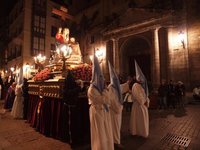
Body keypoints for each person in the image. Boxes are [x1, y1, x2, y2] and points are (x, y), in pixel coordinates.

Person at [87, 55, 114, 150]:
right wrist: (105, 92)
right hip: (97, 112)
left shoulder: (102, 89)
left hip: (104, 111)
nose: (103, 80)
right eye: (100, 78)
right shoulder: (92, 89)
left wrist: (105, 92)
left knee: (106, 131)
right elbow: (101, 100)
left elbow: (108, 99)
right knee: (100, 132)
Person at [129, 60, 150, 138]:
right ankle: (137, 132)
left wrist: (147, 101)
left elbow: (145, 95)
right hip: (138, 106)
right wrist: (143, 102)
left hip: (142, 105)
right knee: (138, 120)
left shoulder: (141, 86)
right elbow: (138, 96)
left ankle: (143, 132)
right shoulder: (135, 85)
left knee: (142, 120)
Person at [107, 61, 125, 149]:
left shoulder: (116, 87)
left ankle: (115, 140)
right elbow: (111, 100)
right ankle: (116, 141)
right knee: (114, 126)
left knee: (117, 125)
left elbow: (121, 90)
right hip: (114, 110)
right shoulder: (111, 87)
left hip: (118, 110)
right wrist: (118, 108)